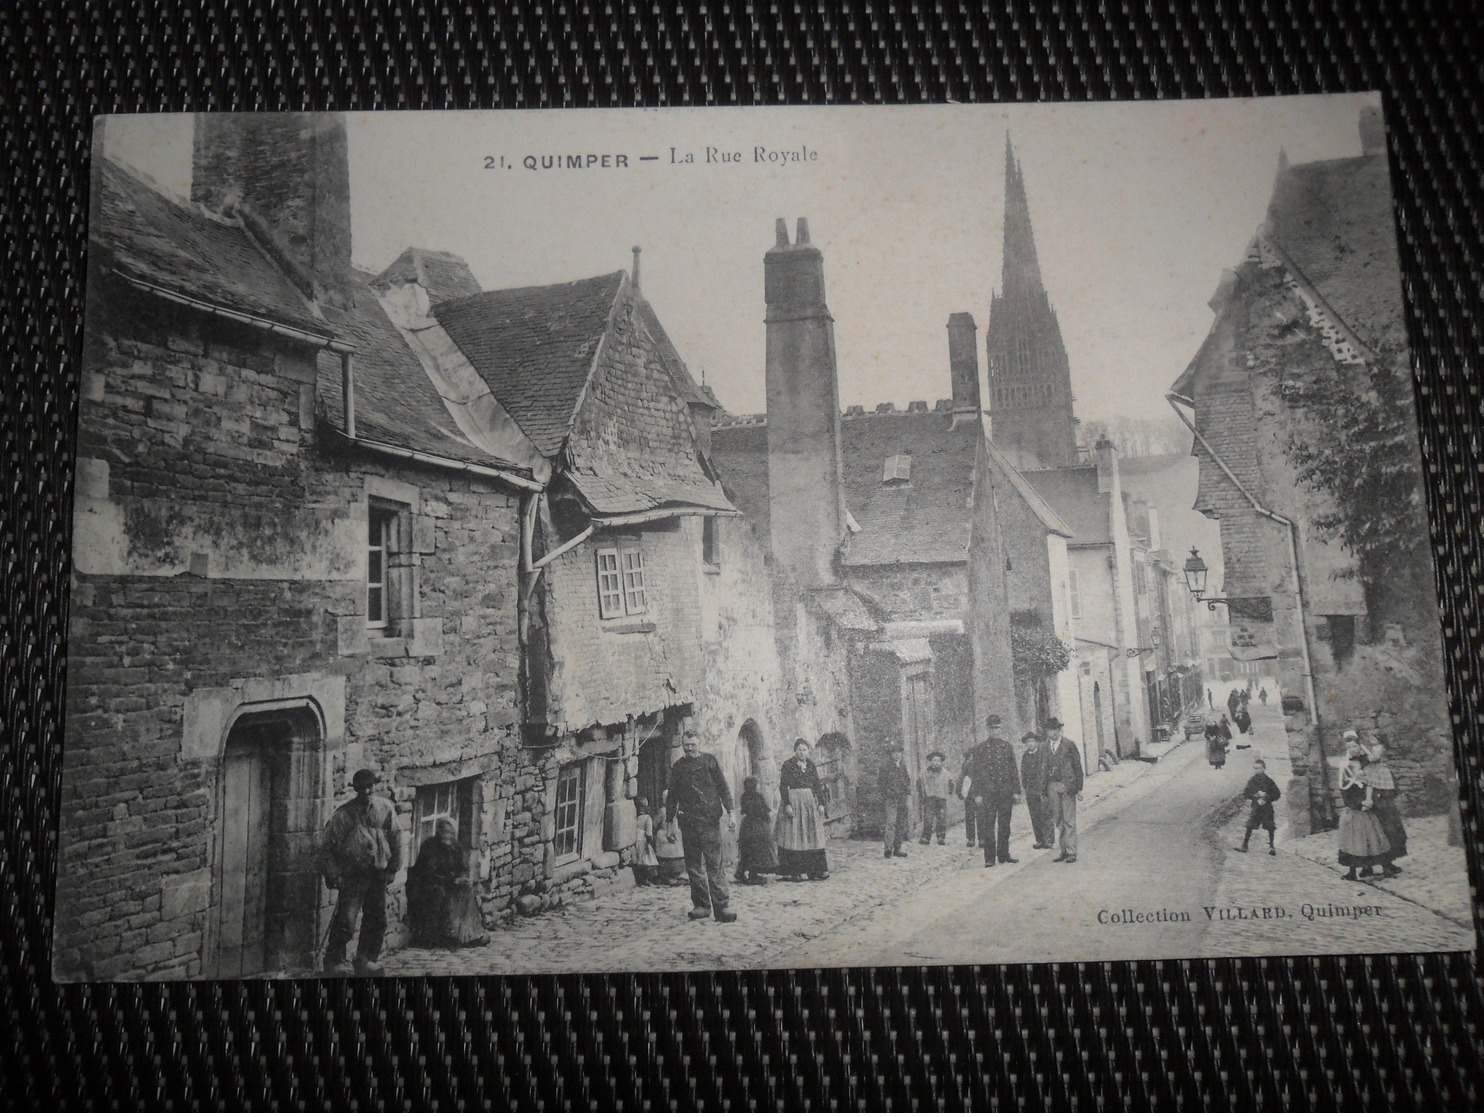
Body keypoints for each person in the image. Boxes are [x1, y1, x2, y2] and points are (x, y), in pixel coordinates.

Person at [320, 768, 403, 975]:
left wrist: (393, 868)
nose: (367, 791)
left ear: (374, 786)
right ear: (356, 789)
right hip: (353, 876)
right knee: (346, 920)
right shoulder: (344, 815)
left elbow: (396, 839)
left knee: (377, 919)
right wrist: (334, 875)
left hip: (377, 874)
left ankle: (366, 959)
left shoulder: (385, 809)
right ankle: (334, 961)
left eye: (370, 786)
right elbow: (326, 848)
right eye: (362, 788)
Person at [665, 730, 738, 922]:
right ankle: (701, 905)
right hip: (688, 823)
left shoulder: (710, 762)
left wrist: (731, 812)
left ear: (700, 744)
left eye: (693, 745)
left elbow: (723, 788)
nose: (689, 748)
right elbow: (672, 797)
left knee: (715, 865)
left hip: (710, 823)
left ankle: (722, 907)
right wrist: (669, 823)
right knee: (694, 866)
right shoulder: (678, 768)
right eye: (686, 745)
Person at [405, 819, 489, 948]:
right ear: (439, 833)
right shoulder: (430, 847)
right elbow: (426, 874)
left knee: (467, 891)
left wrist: (462, 879)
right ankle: (447, 936)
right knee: (439, 892)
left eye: (451, 833)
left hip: (449, 883)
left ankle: (470, 934)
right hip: (428, 884)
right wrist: (452, 880)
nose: (448, 836)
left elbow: (462, 868)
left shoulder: (456, 848)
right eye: (445, 833)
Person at [962, 714, 1021, 867]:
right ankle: (989, 858)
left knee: (1004, 825)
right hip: (988, 794)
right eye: (991, 728)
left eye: (997, 728)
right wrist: (977, 794)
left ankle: (1003, 854)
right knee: (988, 825)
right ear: (987, 730)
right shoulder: (980, 749)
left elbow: (1013, 769)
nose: (994, 731)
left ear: (1000, 729)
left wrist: (1016, 791)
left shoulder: (1006, 747)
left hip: (1005, 792)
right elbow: (976, 773)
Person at [775, 738, 831, 880]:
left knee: (812, 834)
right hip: (794, 802)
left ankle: (816, 870)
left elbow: (817, 785)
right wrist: (787, 804)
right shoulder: (788, 765)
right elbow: (783, 786)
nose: (802, 752)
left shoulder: (811, 765)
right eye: (799, 749)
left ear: (808, 751)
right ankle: (795, 871)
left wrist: (821, 804)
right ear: (795, 751)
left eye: (804, 750)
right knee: (795, 836)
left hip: (809, 803)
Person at [1337, 745, 1389, 881]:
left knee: (1371, 840)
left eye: (1360, 769)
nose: (1359, 771)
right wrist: (1359, 804)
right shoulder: (1347, 776)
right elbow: (1346, 794)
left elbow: (1371, 786)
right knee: (1353, 842)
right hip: (1354, 811)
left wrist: (1369, 801)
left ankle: (1370, 868)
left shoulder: (1366, 773)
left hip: (1367, 811)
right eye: (1349, 746)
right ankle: (1352, 870)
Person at [1364, 738, 1408, 876]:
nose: (1374, 747)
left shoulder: (1383, 763)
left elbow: (1392, 789)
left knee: (1392, 831)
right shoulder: (1368, 764)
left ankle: (1388, 863)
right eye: (1373, 744)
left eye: (1377, 744)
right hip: (1375, 801)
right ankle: (1369, 866)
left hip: (1385, 802)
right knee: (1375, 832)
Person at [1043, 717, 1084, 864]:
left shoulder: (1069, 745)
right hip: (1052, 786)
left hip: (1067, 786)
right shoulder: (1045, 747)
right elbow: (1043, 769)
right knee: (1059, 819)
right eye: (1049, 730)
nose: (1052, 733)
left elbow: (1077, 767)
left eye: (1055, 730)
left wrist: (1078, 788)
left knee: (1069, 820)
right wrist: (1044, 790)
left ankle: (1072, 852)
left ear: (1059, 730)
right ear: (1047, 732)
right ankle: (1063, 851)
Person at [734, 777, 777, 885]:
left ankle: (741, 871)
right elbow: (764, 810)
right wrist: (767, 816)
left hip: (747, 825)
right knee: (758, 850)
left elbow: (744, 810)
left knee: (747, 850)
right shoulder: (758, 797)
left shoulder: (744, 796)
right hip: (758, 826)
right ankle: (753, 875)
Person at [1235, 759, 1281, 855]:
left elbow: (1277, 794)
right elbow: (1246, 793)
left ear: (1264, 769)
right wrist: (1255, 796)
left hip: (1267, 807)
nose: (1257, 770)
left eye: (1259, 768)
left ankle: (1272, 847)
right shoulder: (1252, 781)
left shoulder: (1269, 781)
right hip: (1256, 807)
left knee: (1270, 827)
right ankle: (1244, 845)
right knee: (1249, 825)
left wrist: (1266, 797)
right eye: (1255, 768)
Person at [1018, 730, 1054, 850]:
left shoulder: (1042, 755)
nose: (1030, 744)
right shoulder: (1025, 756)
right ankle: (1039, 840)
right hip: (1031, 790)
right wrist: (1026, 787)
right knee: (1035, 815)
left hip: (1042, 788)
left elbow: (1047, 771)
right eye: (1028, 741)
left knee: (1046, 814)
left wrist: (1045, 786)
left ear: (1037, 742)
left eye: (1032, 741)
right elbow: (1023, 773)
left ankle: (1048, 840)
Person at [879, 740, 913, 858]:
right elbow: (881, 783)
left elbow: (907, 779)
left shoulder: (902, 766)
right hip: (891, 799)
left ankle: (897, 848)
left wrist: (907, 790)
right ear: (891, 754)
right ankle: (888, 847)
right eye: (894, 752)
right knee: (890, 823)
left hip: (902, 798)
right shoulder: (885, 766)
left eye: (899, 752)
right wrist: (888, 793)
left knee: (901, 823)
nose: (897, 754)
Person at [917, 750, 952, 845]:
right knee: (928, 818)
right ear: (931, 761)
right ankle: (926, 837)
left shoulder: (946, 773)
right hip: (930, 797)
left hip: (941, 797)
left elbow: (951, 785)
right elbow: (919, 785)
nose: (936, 762)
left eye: (938, 760)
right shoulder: (924, 772)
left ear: (940, 762)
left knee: (941, 818)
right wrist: (922, 796)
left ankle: (941, 837)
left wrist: (947, 792)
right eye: (934, 760)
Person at [632, 796, 660, 885]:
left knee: (638, 859)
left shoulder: (634, 818)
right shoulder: (647, 818)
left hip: (635, 840)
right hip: (643, 840)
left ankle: (639, 878)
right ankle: (645, 879)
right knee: (646, 860)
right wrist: (650, 841)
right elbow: (649, 833)